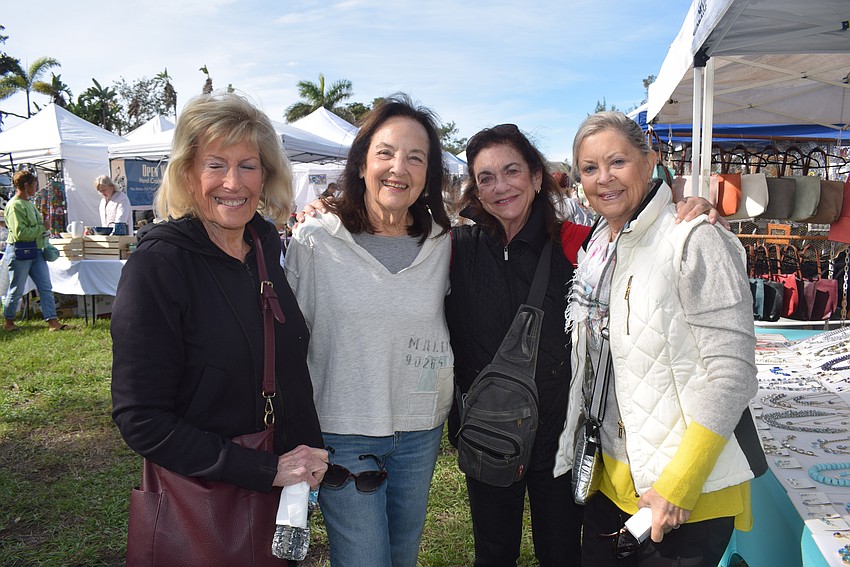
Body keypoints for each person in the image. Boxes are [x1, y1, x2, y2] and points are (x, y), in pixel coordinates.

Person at [110, 93, 328, 563]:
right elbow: (141, 419)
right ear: (188, 174)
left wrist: (308, 450)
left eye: (248, 165)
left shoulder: (263, 246)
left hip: (277, 499)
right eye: (215, 165)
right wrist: (261, 469)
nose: (233, 182)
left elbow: (286, 365)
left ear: (265, 175)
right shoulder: (159, 265)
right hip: (202, 506)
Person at [554, 111, 757, 566]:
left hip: (684, 497)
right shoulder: (599, 249)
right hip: (612, 484)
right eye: (590, 168)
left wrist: (680, 484)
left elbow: (733, 373)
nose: (604, 178)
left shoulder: (694, 239)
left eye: (618, 162)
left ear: (649, 162)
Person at [284, 94, 454, 567]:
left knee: (402, 555)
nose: (399, 168)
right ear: (361, 164)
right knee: (364, 559)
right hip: (344, 430)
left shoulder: (443, 242)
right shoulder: (316, 239)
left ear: (428, 174)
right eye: (385, 153)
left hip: (420, 430)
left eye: (415, 157)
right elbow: (289, 340)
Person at [446, 124, 584, 566]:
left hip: (559, 436)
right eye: (485, 178)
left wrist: (686, 206)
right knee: (493, 553)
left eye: (511, 171)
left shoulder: (576, 246)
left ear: (536, 177)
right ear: (476, 189)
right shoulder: (455, 249)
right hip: (489, 429)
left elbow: (639, 236)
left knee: (562, 553)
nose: (500, 186)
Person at [3, 170, 69, 332]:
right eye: (34, 185)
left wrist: (42, 232)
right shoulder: (15, 206)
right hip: (20, 252)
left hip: (36, 251)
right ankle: (9, 321)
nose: (36, 188)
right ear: (26, 186)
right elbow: (20, 233)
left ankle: (52, 321)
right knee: (17, 289)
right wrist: (42, 228)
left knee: (46, 287)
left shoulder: (28, 203)